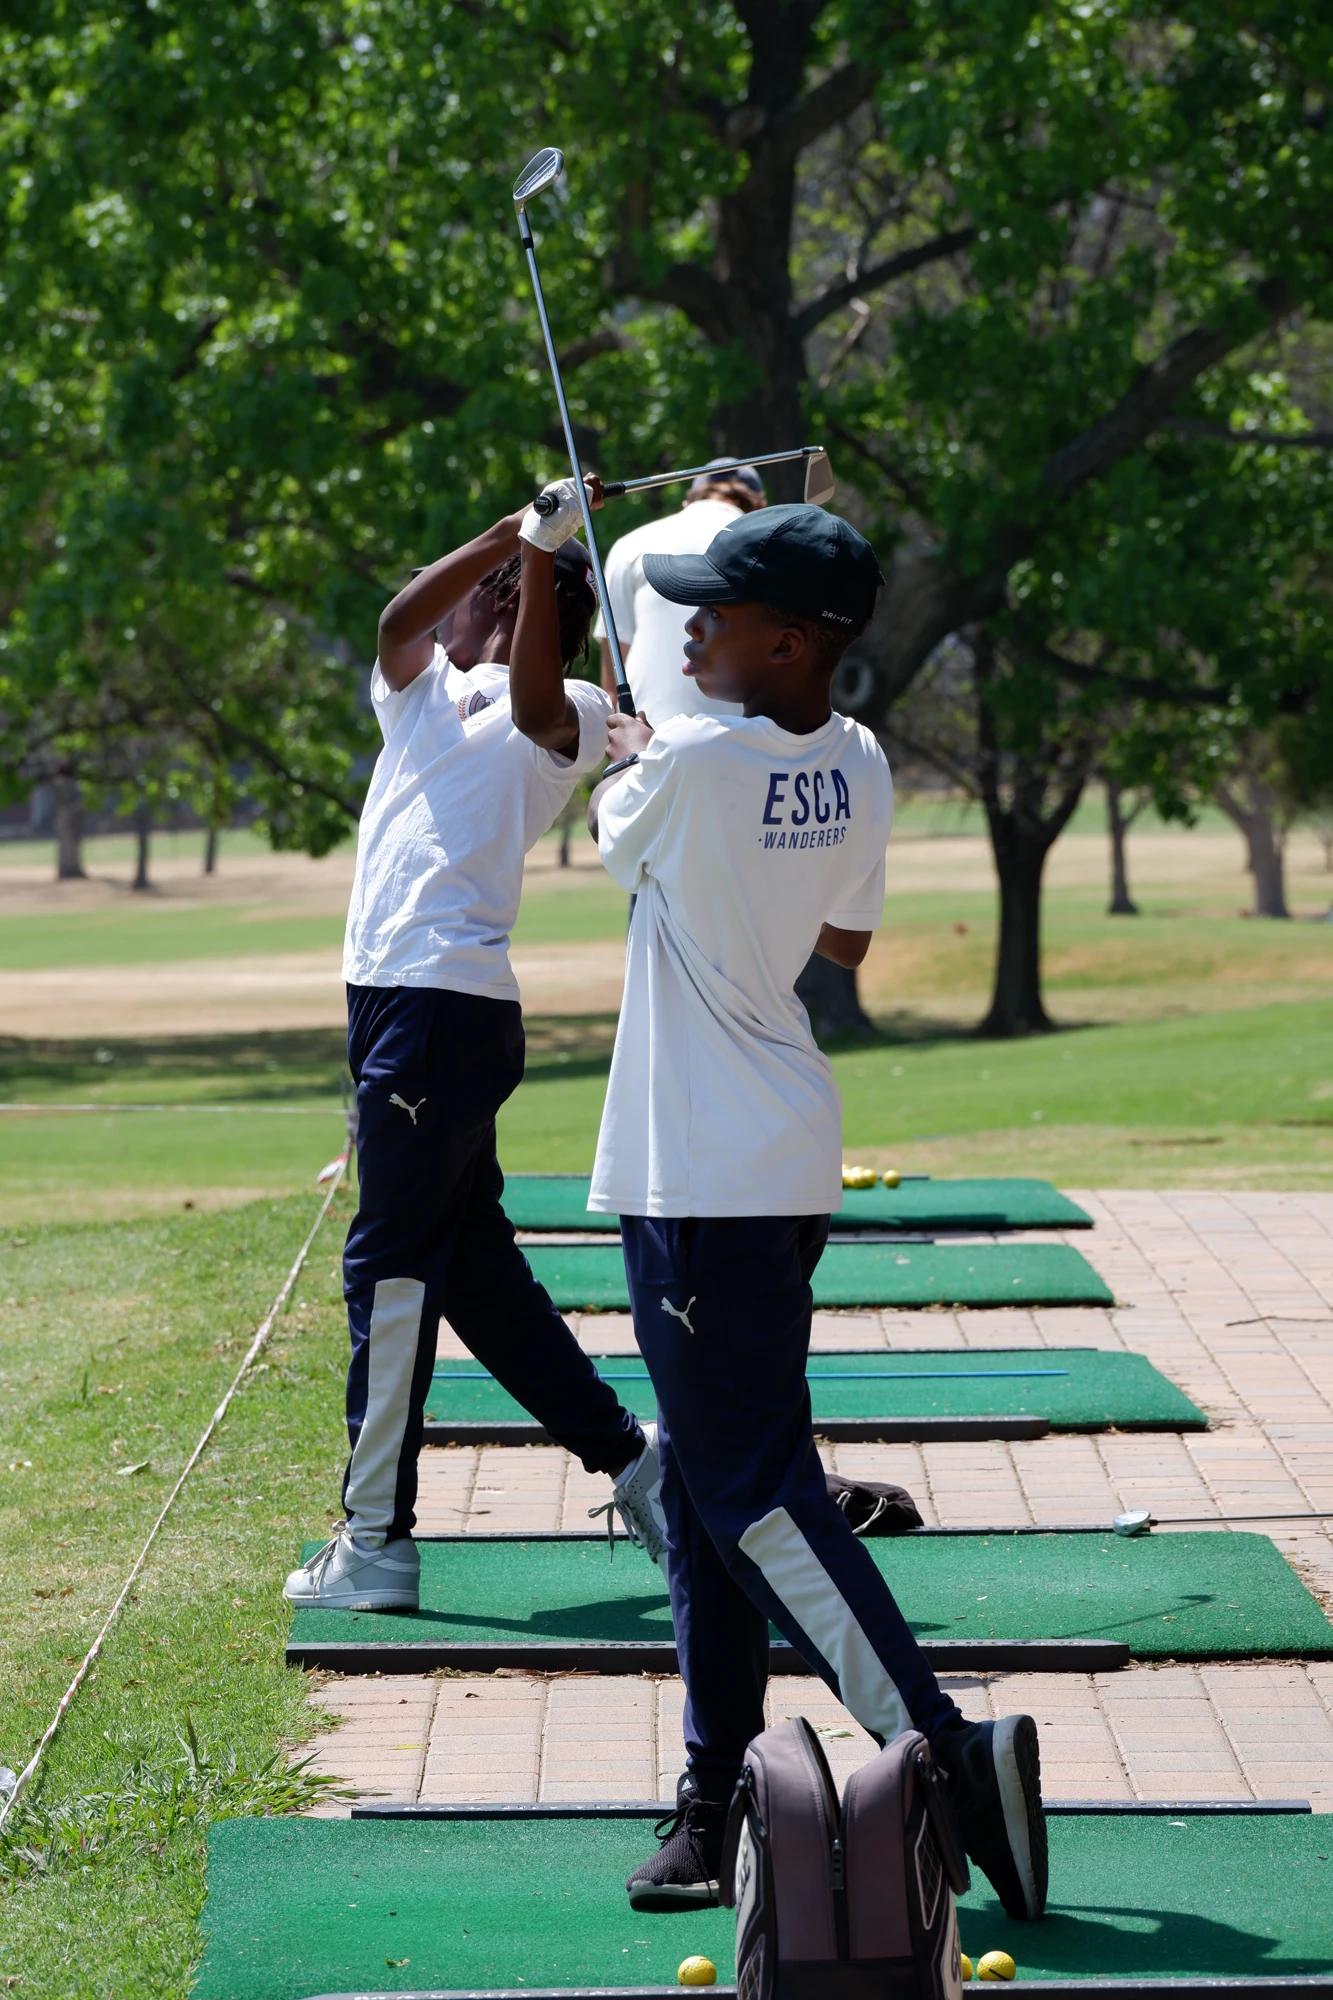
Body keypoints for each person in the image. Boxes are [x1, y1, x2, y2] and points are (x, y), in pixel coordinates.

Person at [581, 504, 1048, 1922]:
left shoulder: (696, 762)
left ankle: (943, 1749)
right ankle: (712, 1785)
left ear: (792, 642)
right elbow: (840, 938)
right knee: (720, 1489)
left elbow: (621, 821)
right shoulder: (856, 757)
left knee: (748, 1493)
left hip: (704, 1177)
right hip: (775, 1157)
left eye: (714, 613)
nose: (689, 628)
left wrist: (645, 748)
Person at [284, 480, 667, 1614]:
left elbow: (540, 695)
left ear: (503, 605)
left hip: (440, 1009)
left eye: (481, 589)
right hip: (394, 1007)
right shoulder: (419, 690)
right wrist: (512, 534)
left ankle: (375, 1539)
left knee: (386, 1271)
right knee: (473, 1271)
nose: (449, 612)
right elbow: (397, 619)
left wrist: (541, 561)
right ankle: (633, 1459)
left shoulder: (580, 709)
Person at [595, 458, 766, 725]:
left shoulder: (629, 545)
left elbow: (612, 687)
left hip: (644, 740)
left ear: (688, 501)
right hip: (745, 747)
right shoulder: (770, 553)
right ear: (759, 508)